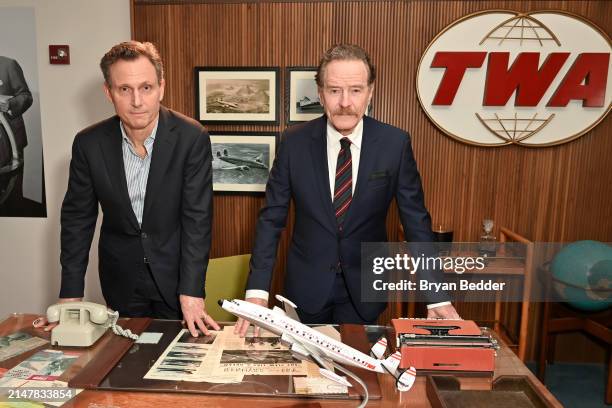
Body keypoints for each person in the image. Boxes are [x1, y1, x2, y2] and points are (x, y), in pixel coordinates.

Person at [236, 44, 459, 334]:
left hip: (365, 293)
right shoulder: (294, 143)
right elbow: (271, 220)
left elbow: (416, 223)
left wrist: (436, 295)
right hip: (305, 291)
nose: (345, 102)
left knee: (360, 376)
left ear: (370, 92)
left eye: (355, 90)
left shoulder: (395, 144)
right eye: (334, 90)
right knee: (304, 376)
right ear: (320, 93)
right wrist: (257, 292)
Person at [36, 41, 218, 337]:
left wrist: (192, 291)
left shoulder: (191, 138)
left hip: (175, 278)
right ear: (109, 93)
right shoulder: (88, 144)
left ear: (162, 87)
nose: (137, 101)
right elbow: (77, 221)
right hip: (120, 278)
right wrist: (70, 294)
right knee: (121, 360)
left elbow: (198, 220)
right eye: (125, 89)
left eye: (146, 88)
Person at [0, 56, 33, 211]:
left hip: (9, 141)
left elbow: (26, 96)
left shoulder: (8, 65)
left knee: (12, 194)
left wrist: (10, 104)